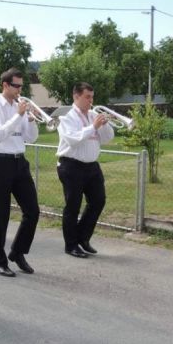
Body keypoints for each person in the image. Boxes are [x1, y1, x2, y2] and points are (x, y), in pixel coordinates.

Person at [0, 68, 40, 277]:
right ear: (5, 85)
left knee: (33, 211)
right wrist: (18, 115)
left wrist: (31, 119)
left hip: (19, 162)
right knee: (2, 215)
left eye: (21, 86)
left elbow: (31, 138)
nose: (19, 90)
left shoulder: (20, 108)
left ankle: (17, 251)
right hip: (1, 163)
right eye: (16, 86)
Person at [56, 82, 114, 258]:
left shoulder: (92, 115)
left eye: (92, 97)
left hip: (92, 166)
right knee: (72, 206)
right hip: (71, 165)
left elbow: (107, 139)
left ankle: (82, 238)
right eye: (87, 97)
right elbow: (73, 139)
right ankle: (70, 245)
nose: (91, 101)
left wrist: (105, 124)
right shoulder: (66, 117)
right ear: (76, 96)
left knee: (98, 201)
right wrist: (93, 127)